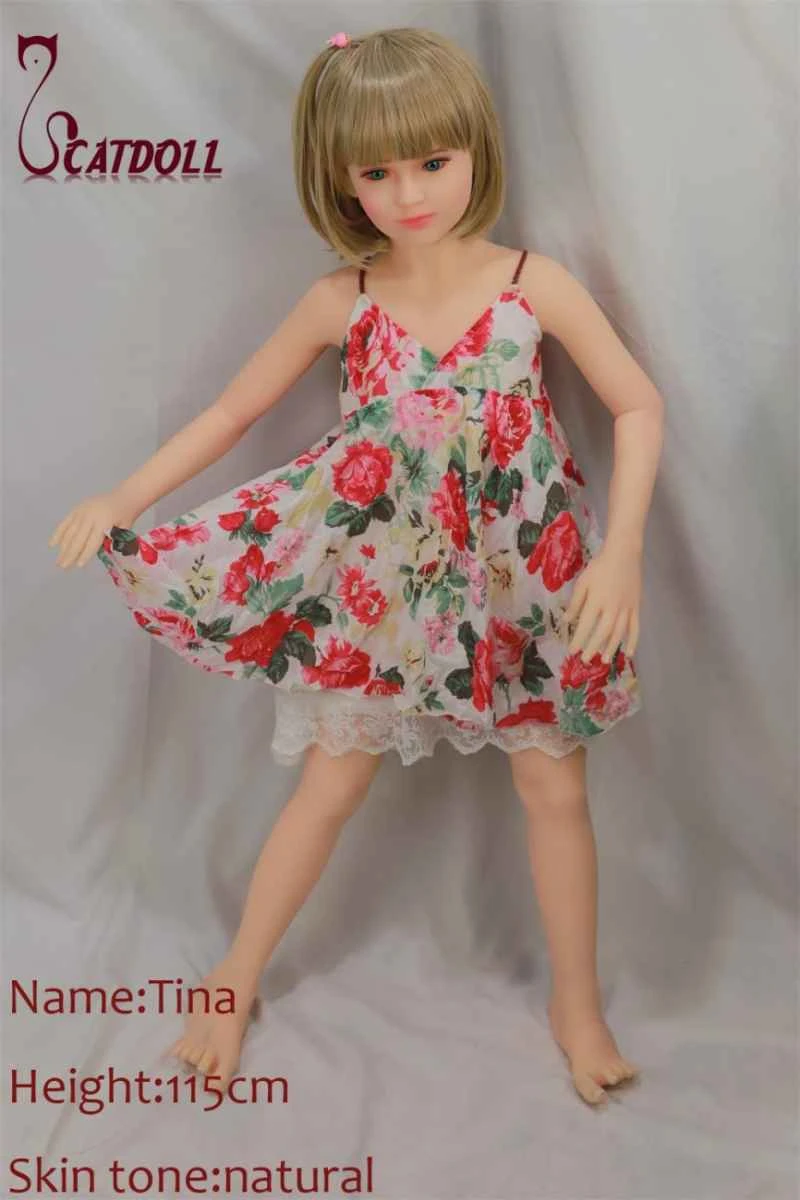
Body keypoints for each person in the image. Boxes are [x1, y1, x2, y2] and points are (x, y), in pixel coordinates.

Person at [48, 27, 664, 1106]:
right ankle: (233, 980)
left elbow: (637, 404)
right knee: (329, 782)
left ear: (472, 150)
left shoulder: (533, 286)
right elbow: (230, 413)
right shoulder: (345, 302)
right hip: (386, 589)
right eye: (375, 172)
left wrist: (621, 555)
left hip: (528, 580)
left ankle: (579, 1008)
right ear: (339, 179)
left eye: (430, 161)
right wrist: (124, 499)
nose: (407, 193)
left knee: (551, 786)